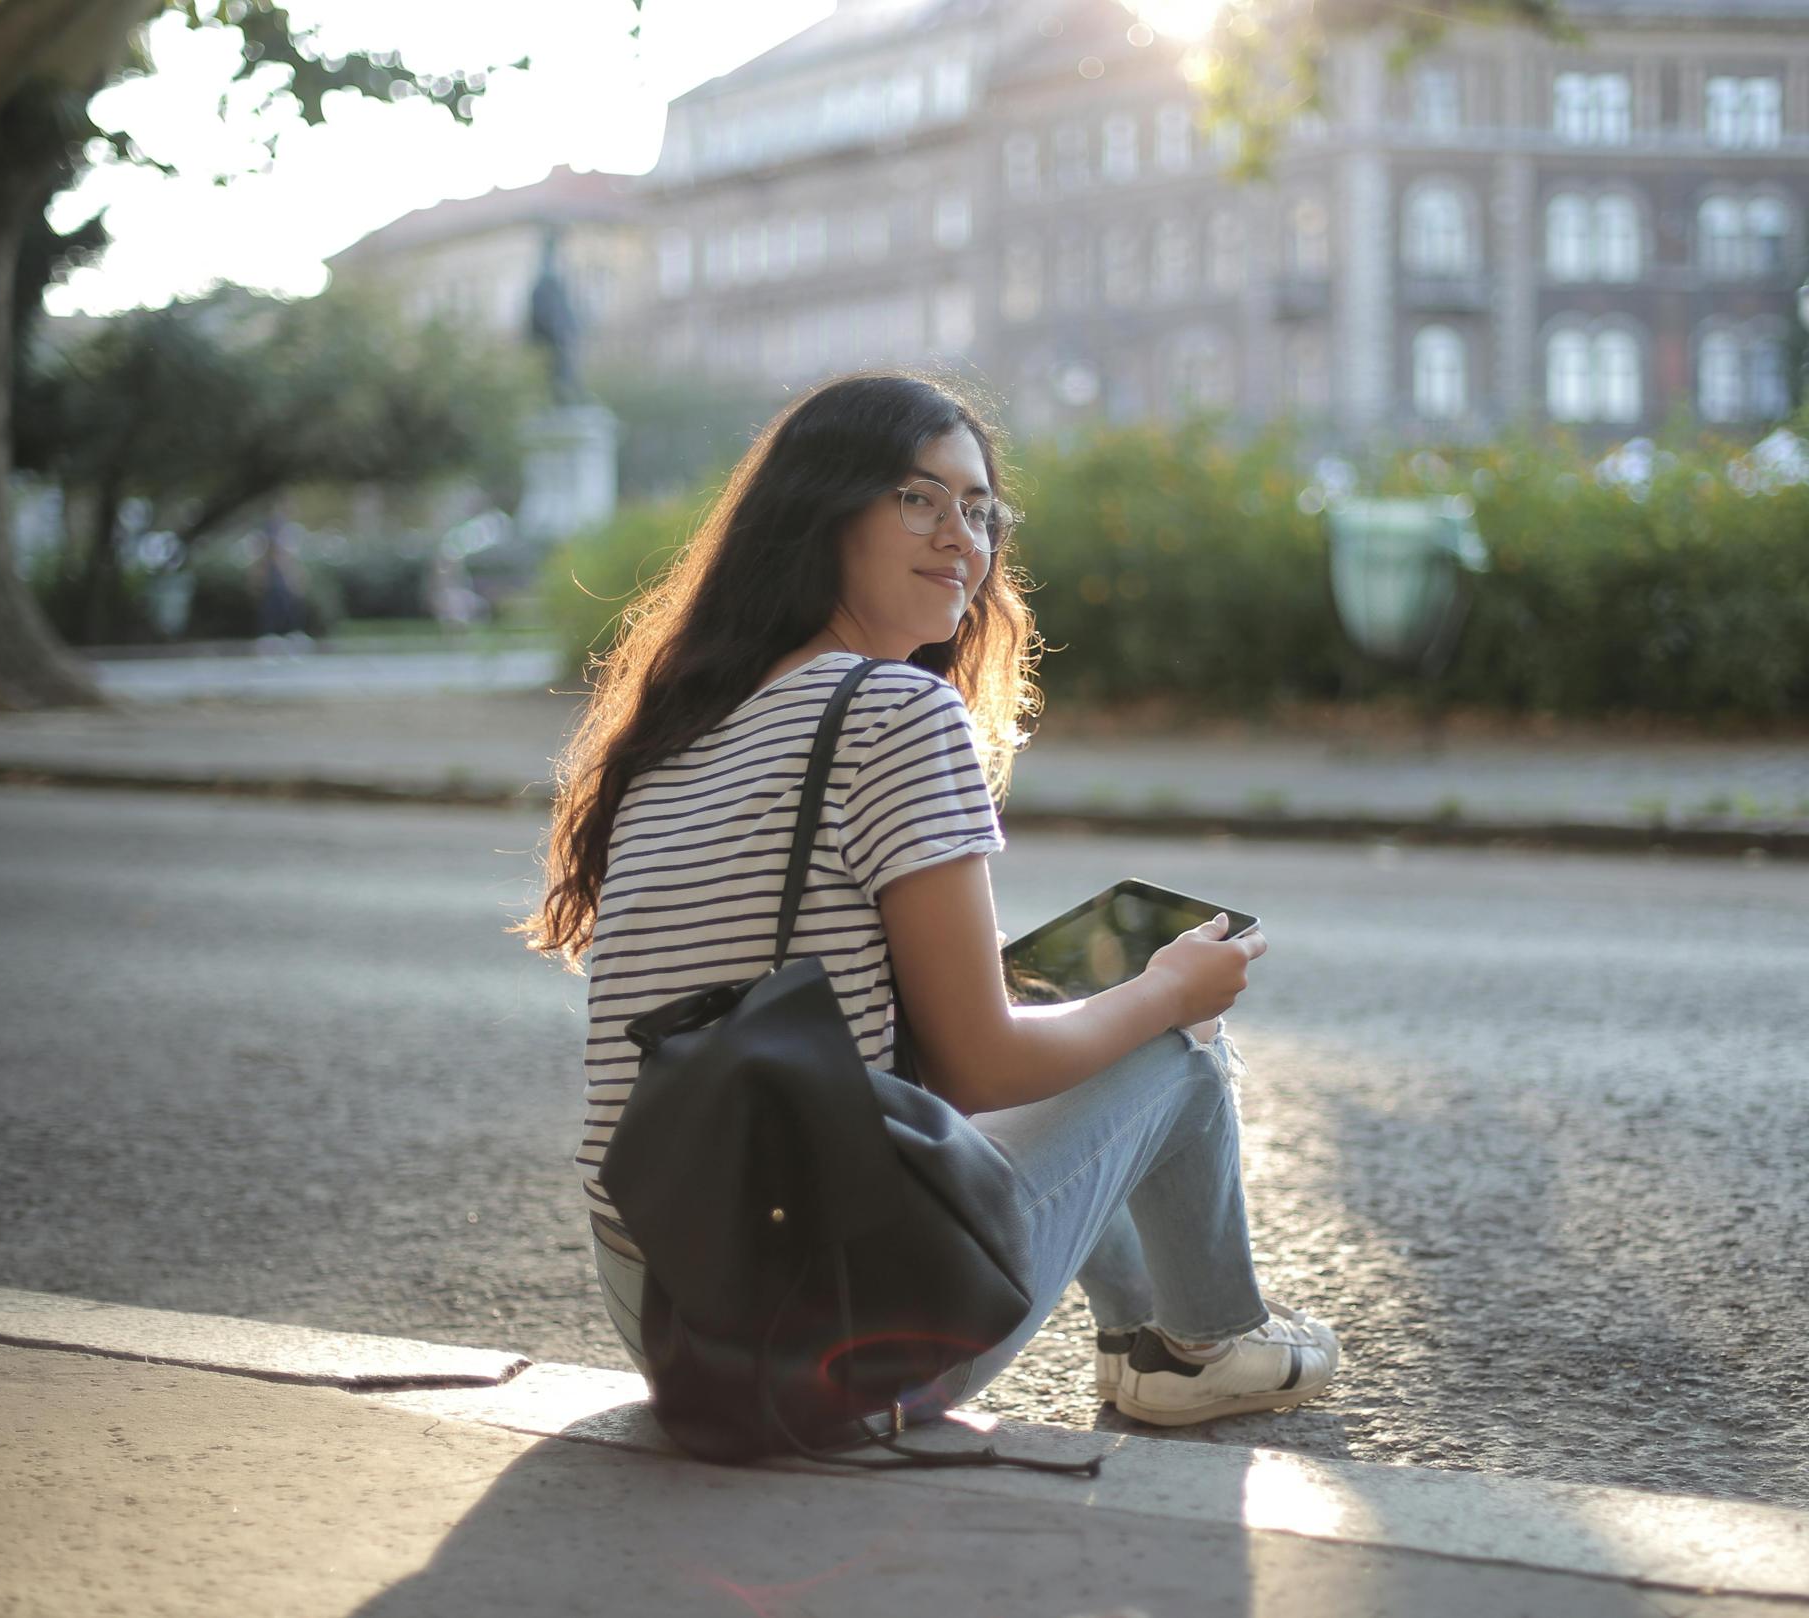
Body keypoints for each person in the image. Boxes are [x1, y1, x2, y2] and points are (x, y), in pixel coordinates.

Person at [520, 370, 1339, 1435]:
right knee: (1171, 1045)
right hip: (831, 1331)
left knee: (1068, 989)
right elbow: (978, 1068)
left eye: (982, 509)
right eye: (919, 497)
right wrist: (1166, 992)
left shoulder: (674, 733)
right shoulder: (898, 710)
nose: (962, 536)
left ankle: (1153, 1344)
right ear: (822, 511)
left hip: (670, 1320)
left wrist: (1092, 990)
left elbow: (856, 1020)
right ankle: (1201, 1344)